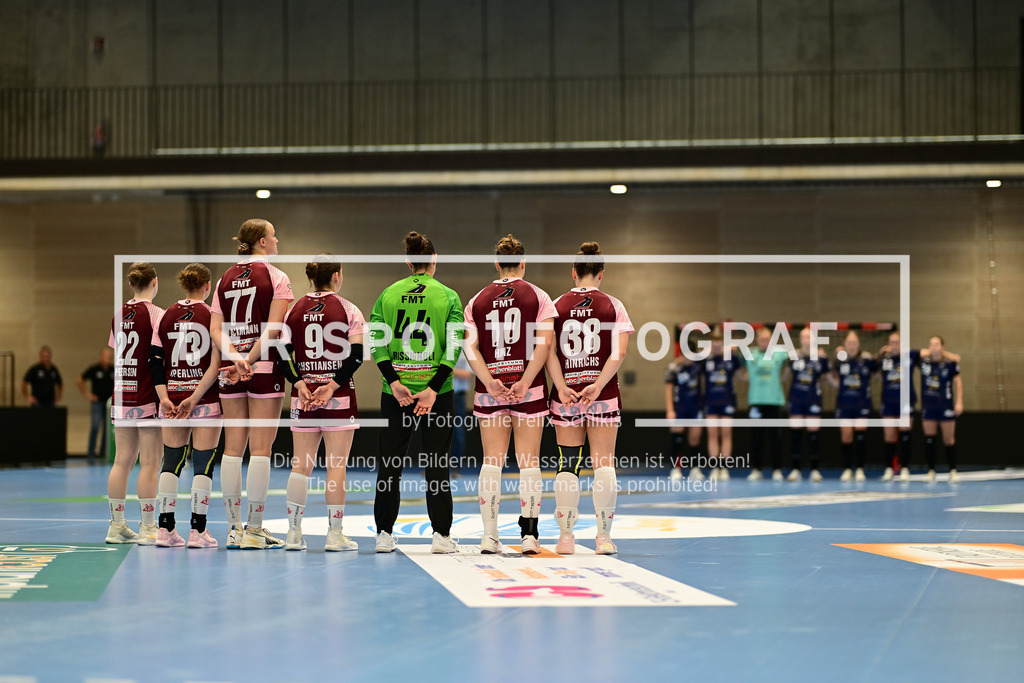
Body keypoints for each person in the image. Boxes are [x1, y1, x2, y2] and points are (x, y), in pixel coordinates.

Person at [370, 231, 464, 554]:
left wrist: (395, 382)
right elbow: (454, 345)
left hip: (395, 394)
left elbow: (376, 341)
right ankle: (441, 536)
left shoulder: (388, 294)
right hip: (437, 394)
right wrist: (433, 389)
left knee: (389, 465)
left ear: (408, 262)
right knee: (437, 464)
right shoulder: (448, 296)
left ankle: (384, 534)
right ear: (434, 260)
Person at [465, 234, 556, 554]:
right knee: (529, 462)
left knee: (492, 461)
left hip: (489, 392)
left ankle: (489, 536)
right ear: (523, 264)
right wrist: (526, 381)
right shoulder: (539, 296)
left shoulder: (477, 300)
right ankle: (529, 535)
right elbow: (545, 344)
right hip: (528, 391)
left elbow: (470, 347)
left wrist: (489, 381)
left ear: (497, 264)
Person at [210, 218, 294, 550]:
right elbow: (274, 328)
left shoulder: (224, 279)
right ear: (261, 241)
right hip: (264, 366)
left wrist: (236, 357)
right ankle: (254, 530)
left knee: (232, 448)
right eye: (273, 236)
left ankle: (234, 529)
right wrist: (251, 359)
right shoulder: (276, 276)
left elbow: (215, 330)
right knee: (260, 449)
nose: (277, 240)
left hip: (230, 368)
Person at [546, 241, 633, 555]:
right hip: (603, 396)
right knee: (604, 464)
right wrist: (597, 385)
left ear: (573, 272)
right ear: (601, 273)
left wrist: (561, 386)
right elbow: (618, 353)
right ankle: (603, 538)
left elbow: (547, 352)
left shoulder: (555, 305)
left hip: (566, 396)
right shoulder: (613, 305)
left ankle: (566, 539)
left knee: (567, 464)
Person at [277, 255, 365, 552]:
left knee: (300, 466)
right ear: (337, 276)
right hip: (338, 397)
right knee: (336, 467)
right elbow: (356, 357)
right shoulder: (348, 309)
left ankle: (293, 534)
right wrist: (332, 386)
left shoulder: (293, 310)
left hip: (303, 398)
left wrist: (299, 383)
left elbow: (282, 355)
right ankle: (335, 535)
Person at [149, 263, 233, 548]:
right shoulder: (212, 315)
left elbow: (155, 362)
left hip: (172, 398)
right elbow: (216, 364)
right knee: (203, 464)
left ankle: (165, 530)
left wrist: (164, 397)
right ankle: (198, 532)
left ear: (184, 284)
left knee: (171, 461)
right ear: (208, 286)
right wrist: (195, 397)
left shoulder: (165, 315)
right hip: (205, 399)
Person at [105, 262, 162, 544]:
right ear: (155, 282)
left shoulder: (118, 315)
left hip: (121, 395)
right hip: (147, 395)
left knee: (122, 460)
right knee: (150, 461)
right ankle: (148, 527)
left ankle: (116, 526)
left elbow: (117, 352)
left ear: (130, 284)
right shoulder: (157, 315)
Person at [786, 327, 830, 482]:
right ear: (800, 340)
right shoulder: (793, 357)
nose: (806, 340)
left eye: (809, 337)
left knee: (813, 435)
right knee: (796, 435)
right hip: (796, 399)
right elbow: (786, 376)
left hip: (813, 399)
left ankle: (814, 470)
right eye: (803, 337)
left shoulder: (821, 358)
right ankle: (795, 470)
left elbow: (825, 378)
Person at [746, 326, 788, 482]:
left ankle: (777, 469)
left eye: (767, 339)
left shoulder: (779, 354)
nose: (764, 342)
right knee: (756, 438)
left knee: (775, 437)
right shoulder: (750, 354)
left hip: (774, 401)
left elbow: (797, 355)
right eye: (762, 339)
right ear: (757, 340)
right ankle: (756, 469)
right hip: (756, 402)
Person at [919, 336, 963, 483]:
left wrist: (959, 402)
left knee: (949, 440)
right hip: (928, 406)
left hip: (946, 405)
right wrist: (936, 352)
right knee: (929, 439)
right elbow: (917, 353)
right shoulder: (924, 362)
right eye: (931, 344)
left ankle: (953, 470)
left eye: (937, 344)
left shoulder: (950, 364)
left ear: (942, 346)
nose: (934, 347)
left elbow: (958, 382)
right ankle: (931, 470)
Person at [833, 331, 875, 482]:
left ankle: (860, 469)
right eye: (849, 343)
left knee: (860, 435)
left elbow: (878, 372)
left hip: (862, 403)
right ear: (845, 344)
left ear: (858, 344)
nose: (852, 345)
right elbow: (831, 375)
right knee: (846, 436)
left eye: (854, 343)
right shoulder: (839, 361)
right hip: (844, 404)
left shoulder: (866, 359)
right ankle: (847, 469)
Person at [877, 331, 919, 482]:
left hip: (905, 402)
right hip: (888, 402)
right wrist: (880, 354)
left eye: (897, 342)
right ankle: (889, 468)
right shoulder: (884, 358)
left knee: (905, 435)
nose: (894, 345)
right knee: (889, 437)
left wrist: (950, 356)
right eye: (892, 342)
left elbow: (928, 352)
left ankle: (905, 467)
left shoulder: (910, 355)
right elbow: (877, 373)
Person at [703, 329, 743, 480]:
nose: (717, 345)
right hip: (710, 401)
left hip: (727, 400)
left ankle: (724, 467)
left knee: (726, 433)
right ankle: (714, 467)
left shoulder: (731, 358)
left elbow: (741, 375)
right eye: (714, 342)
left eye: (719, 341)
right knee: (712, 433)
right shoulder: (705, 359)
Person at [664, 346, 703, 481]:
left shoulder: (698, 366)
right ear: (681, 355)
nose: (688, 359)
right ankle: (676, 468)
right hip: (679, 407)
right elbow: (668, 389)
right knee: (677, 438)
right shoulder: (673, 368)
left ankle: (695, 468)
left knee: (695, 438)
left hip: (695, 407)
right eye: (686, 355)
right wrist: (670, 410)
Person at [78, 348, 114, 461]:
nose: (107, 359)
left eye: (109, 357)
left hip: (109, 404)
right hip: (97, 403)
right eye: (105, 357)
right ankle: (91, 452)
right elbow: (79, 380)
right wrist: (88, 395)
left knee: (106, 429)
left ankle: (103, 452)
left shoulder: (113, 370)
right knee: (95, 426)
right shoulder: (94, 369)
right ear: (101, 357)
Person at [449, 352, 473, 477]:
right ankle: (433, 466)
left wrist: (445, 369)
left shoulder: (465, 352)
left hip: (458, 396)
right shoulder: (441, 348)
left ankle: (455, 467)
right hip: (439, 394)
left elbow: (467, 374)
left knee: (458, 433)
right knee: (434, 431)